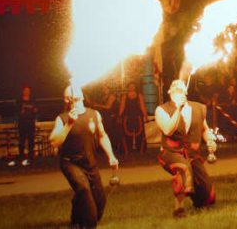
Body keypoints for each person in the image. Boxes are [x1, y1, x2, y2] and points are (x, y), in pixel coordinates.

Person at [49, 86, 119, 229]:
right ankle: (88, 225)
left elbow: (102, 136)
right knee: (84, 190)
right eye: (69, 92)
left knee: (99, 202)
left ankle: (76, 217)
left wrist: (111, 155)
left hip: (90, 163)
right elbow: (54, 141)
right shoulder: (62, 118)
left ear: (81, 96)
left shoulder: (94, 114)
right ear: (66, 99)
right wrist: (69, 124)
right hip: (70, 163)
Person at [155, 80, 217, 218]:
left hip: (192, 155)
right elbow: (168, 130)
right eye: (174, 88)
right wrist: (178, 108)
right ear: (169, 92)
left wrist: (210, 140)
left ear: (186, 92)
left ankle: (197, 199)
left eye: (181, 88)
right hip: (170, 153)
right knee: (184, 168)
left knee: (208, 197)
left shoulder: (198, 108)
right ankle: (179, 209)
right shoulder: (161, 110)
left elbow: (204, 129)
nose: (178, 89)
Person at [9, 85, 38, 167]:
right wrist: (21, 111)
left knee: (31, 140)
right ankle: (21, 156)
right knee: (22, 140)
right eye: (25, 90)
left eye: (28, 90)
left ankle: (31, 157)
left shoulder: (33, 100)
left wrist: (34, 110)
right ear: (23, 91)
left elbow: (36, 110)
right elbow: (16, 111)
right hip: (22, 122)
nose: (27, 92)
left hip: (31, 122)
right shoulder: (19, 100)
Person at [119, 82, 148, 154]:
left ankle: (140, 150)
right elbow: (122, 107)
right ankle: (127, 150)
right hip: (127, 117)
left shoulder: (139, 95)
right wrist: (119, 116)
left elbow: (142, 106)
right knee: (125, 134)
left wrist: (146, 116)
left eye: (133, 86)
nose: (132, 88)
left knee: (140, 133)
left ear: (135, 87)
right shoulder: (124, 96)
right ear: (128, 87)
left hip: (137, 116)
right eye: (130, 86)